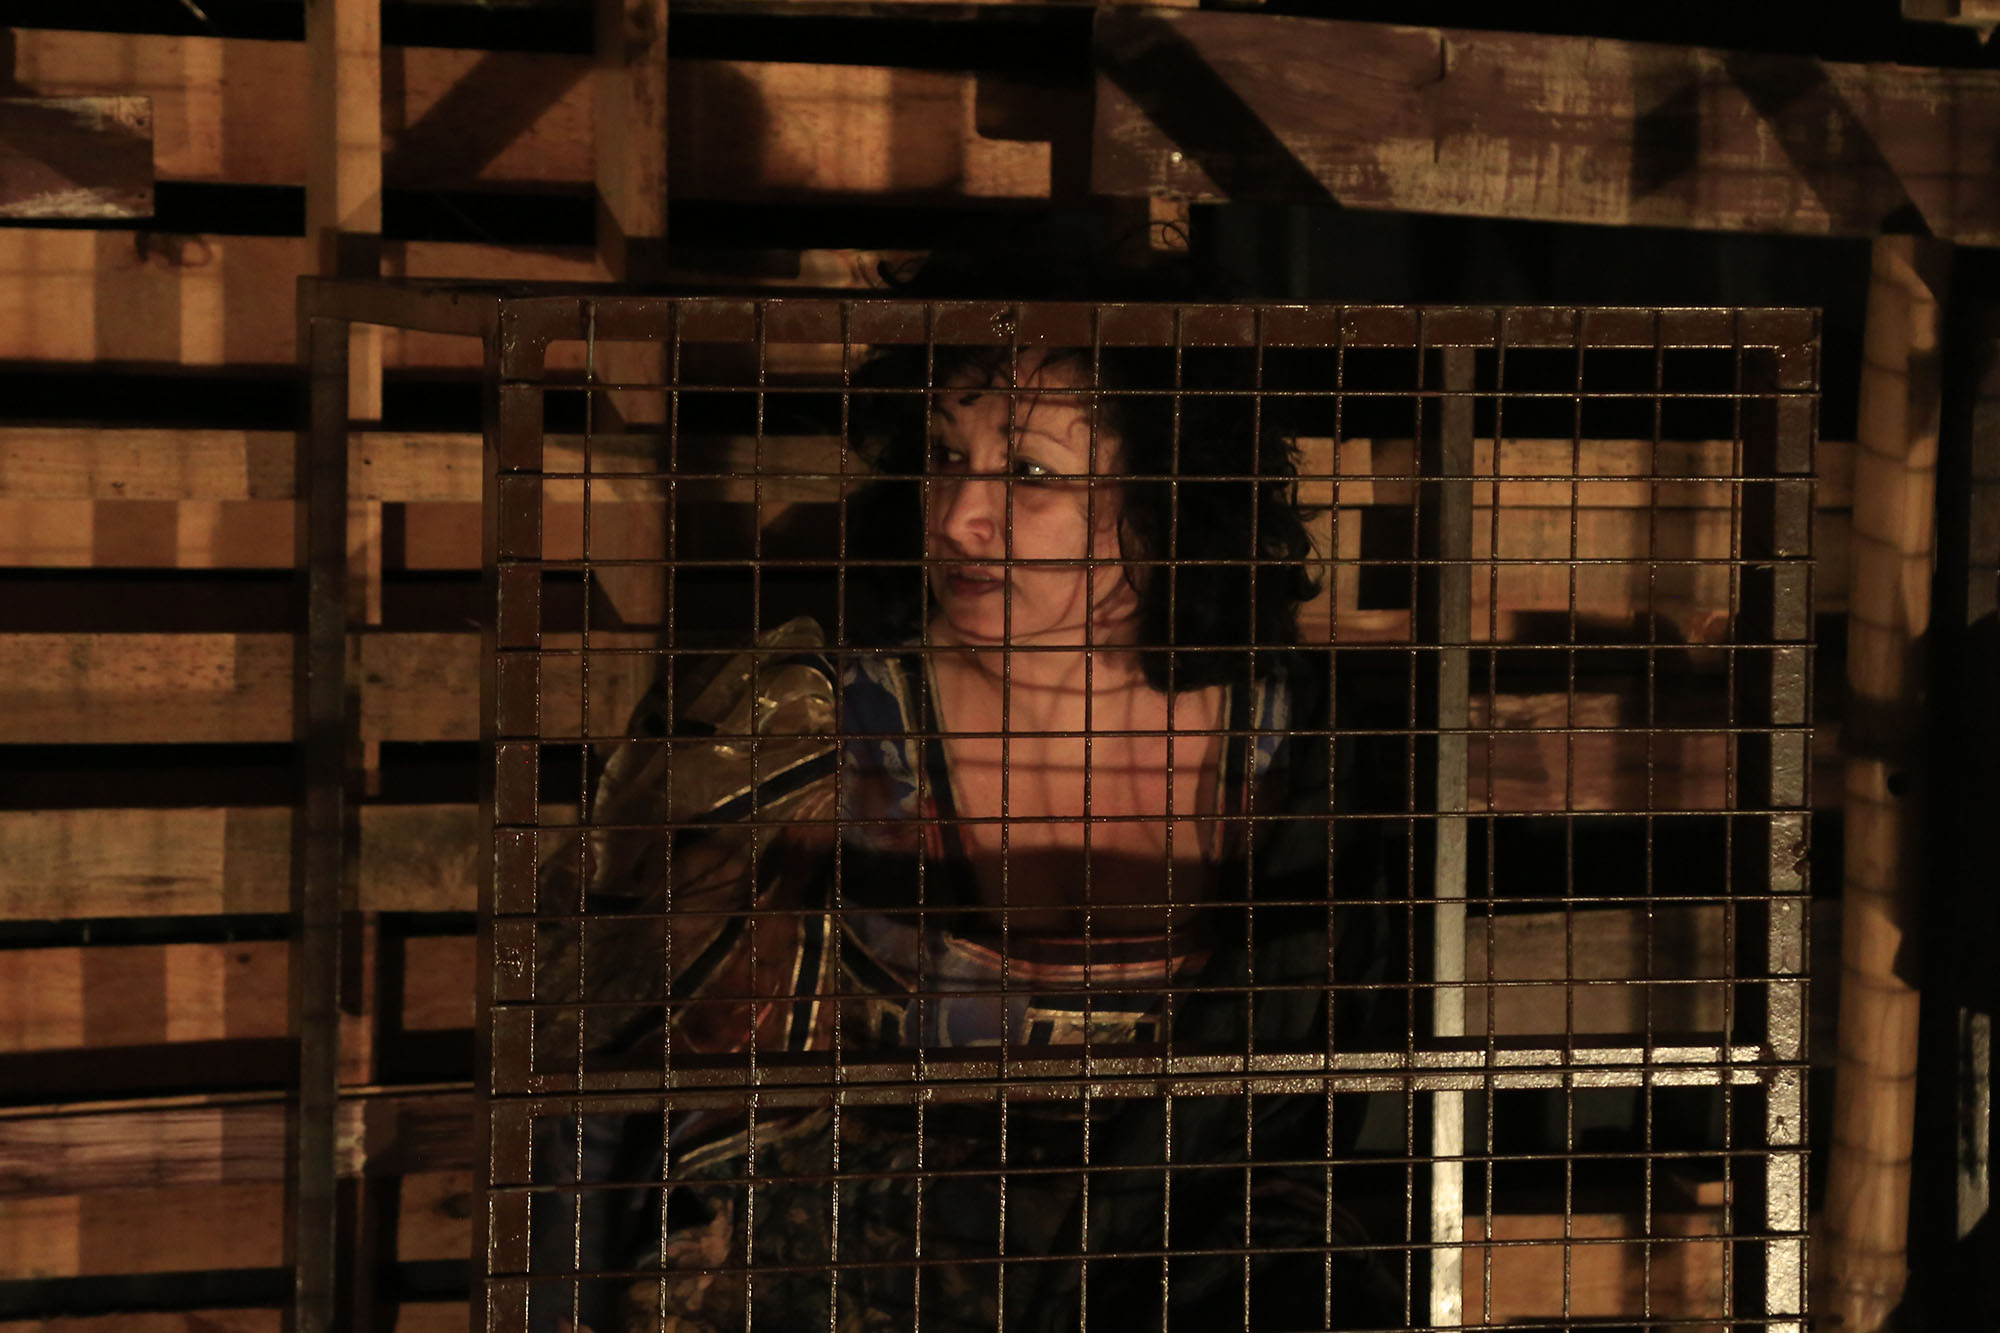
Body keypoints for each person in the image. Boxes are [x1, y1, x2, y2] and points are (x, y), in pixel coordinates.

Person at [530, 259, 1400, 1332]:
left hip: (1164, 1282)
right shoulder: (803, 723)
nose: (958, 517)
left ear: (1164, 498)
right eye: (946, 456)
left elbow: (1301, 1114)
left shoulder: (1286, 748)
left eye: (1028, 472)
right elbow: (583, 1088)